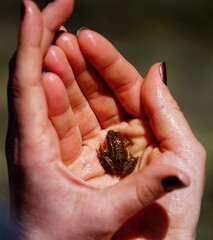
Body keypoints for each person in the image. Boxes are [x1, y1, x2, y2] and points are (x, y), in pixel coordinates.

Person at [5, 0, 206, 239]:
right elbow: (122, 150)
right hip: (123, 164)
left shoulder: (112, 145)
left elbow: (114, 152)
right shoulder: (117, 143)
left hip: (118, 165)